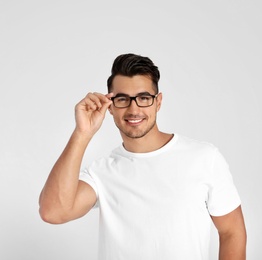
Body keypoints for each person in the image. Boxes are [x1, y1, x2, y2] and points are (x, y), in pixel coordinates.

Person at [39, 53, 247, 260]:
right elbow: (53, 212)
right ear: (109, 106)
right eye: (122, 99)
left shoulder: (204, 158)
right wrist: (82, 133)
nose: (134, 109)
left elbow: (232, 232)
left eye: (144, 98)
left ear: (158, 102)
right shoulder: (101, 173)